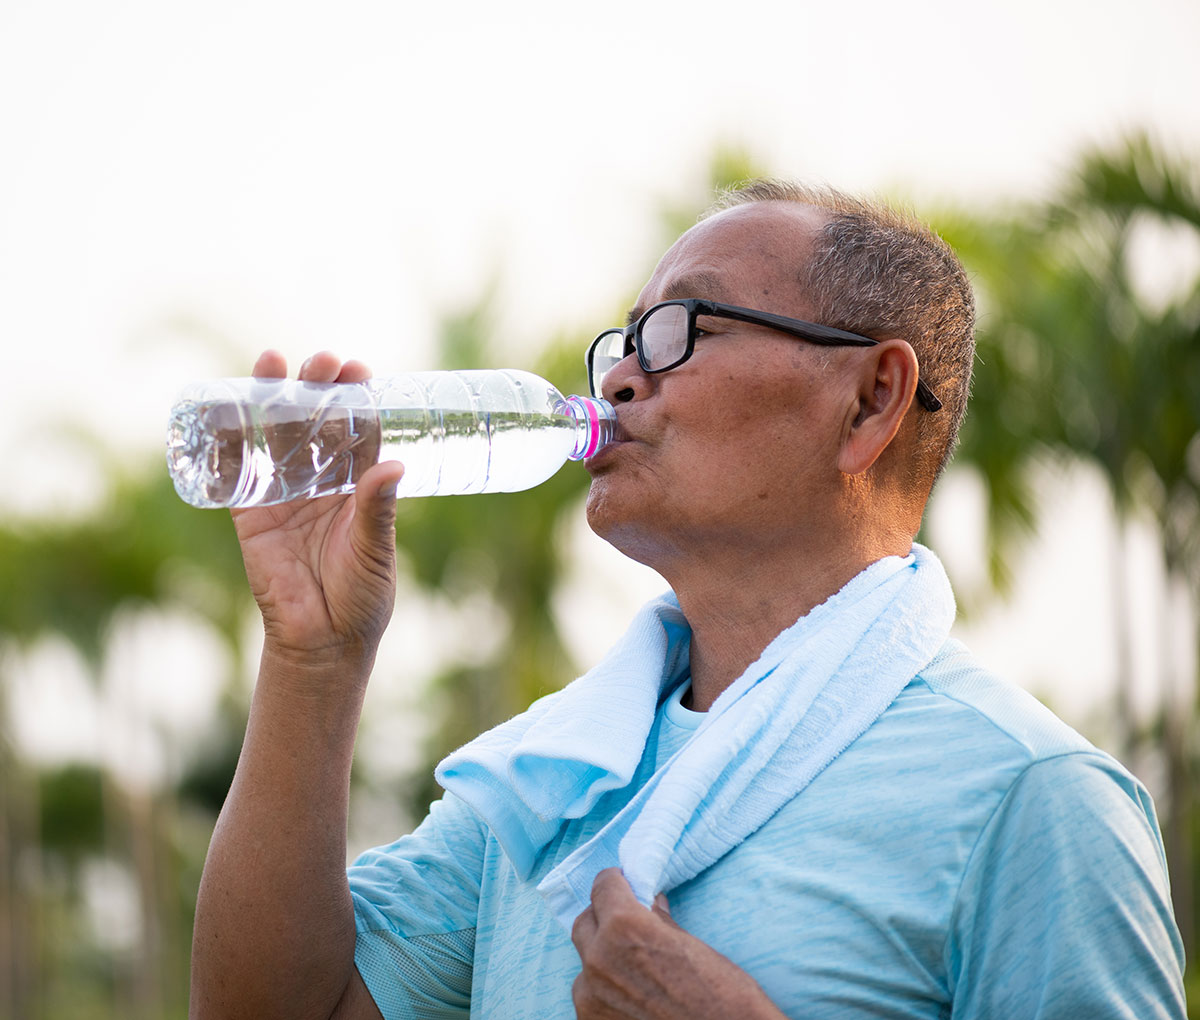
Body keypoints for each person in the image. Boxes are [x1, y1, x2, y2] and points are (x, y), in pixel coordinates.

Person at [189, 181, 1186, 1019]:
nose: (622, 378)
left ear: (873, 398)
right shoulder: (555, 789)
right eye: (620, 342)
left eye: (677, 330)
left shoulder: (1034, 797)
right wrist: (311, 658)